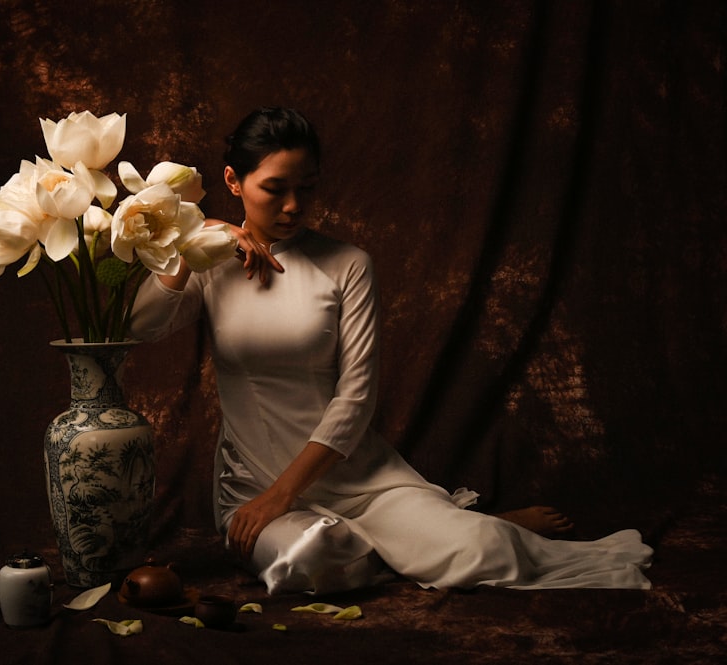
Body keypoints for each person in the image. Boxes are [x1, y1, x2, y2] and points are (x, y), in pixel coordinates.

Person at [130, 107, 652, 594]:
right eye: (275, 189)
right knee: (309, 563)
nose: (293, 206)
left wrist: (283, 494)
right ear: (232, 182)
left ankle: (468, 529)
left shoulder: (347, 264)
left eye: (306, 188)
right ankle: (433, 534)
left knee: (486, 552)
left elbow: (355, 401)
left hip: (356, 478)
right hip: (251, 484)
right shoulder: (210, 264)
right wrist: (194, 240)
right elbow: (142, 326)